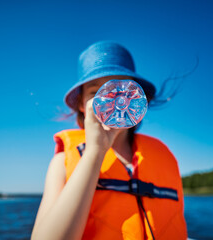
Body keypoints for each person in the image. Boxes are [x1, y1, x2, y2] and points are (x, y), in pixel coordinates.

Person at [31, 41, 188, 240]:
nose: (110, 99)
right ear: (81, 104)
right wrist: (95, 151)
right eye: (95, 92)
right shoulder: (62, 162)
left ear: (136, 96)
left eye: (120, 89)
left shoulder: (163, 155)